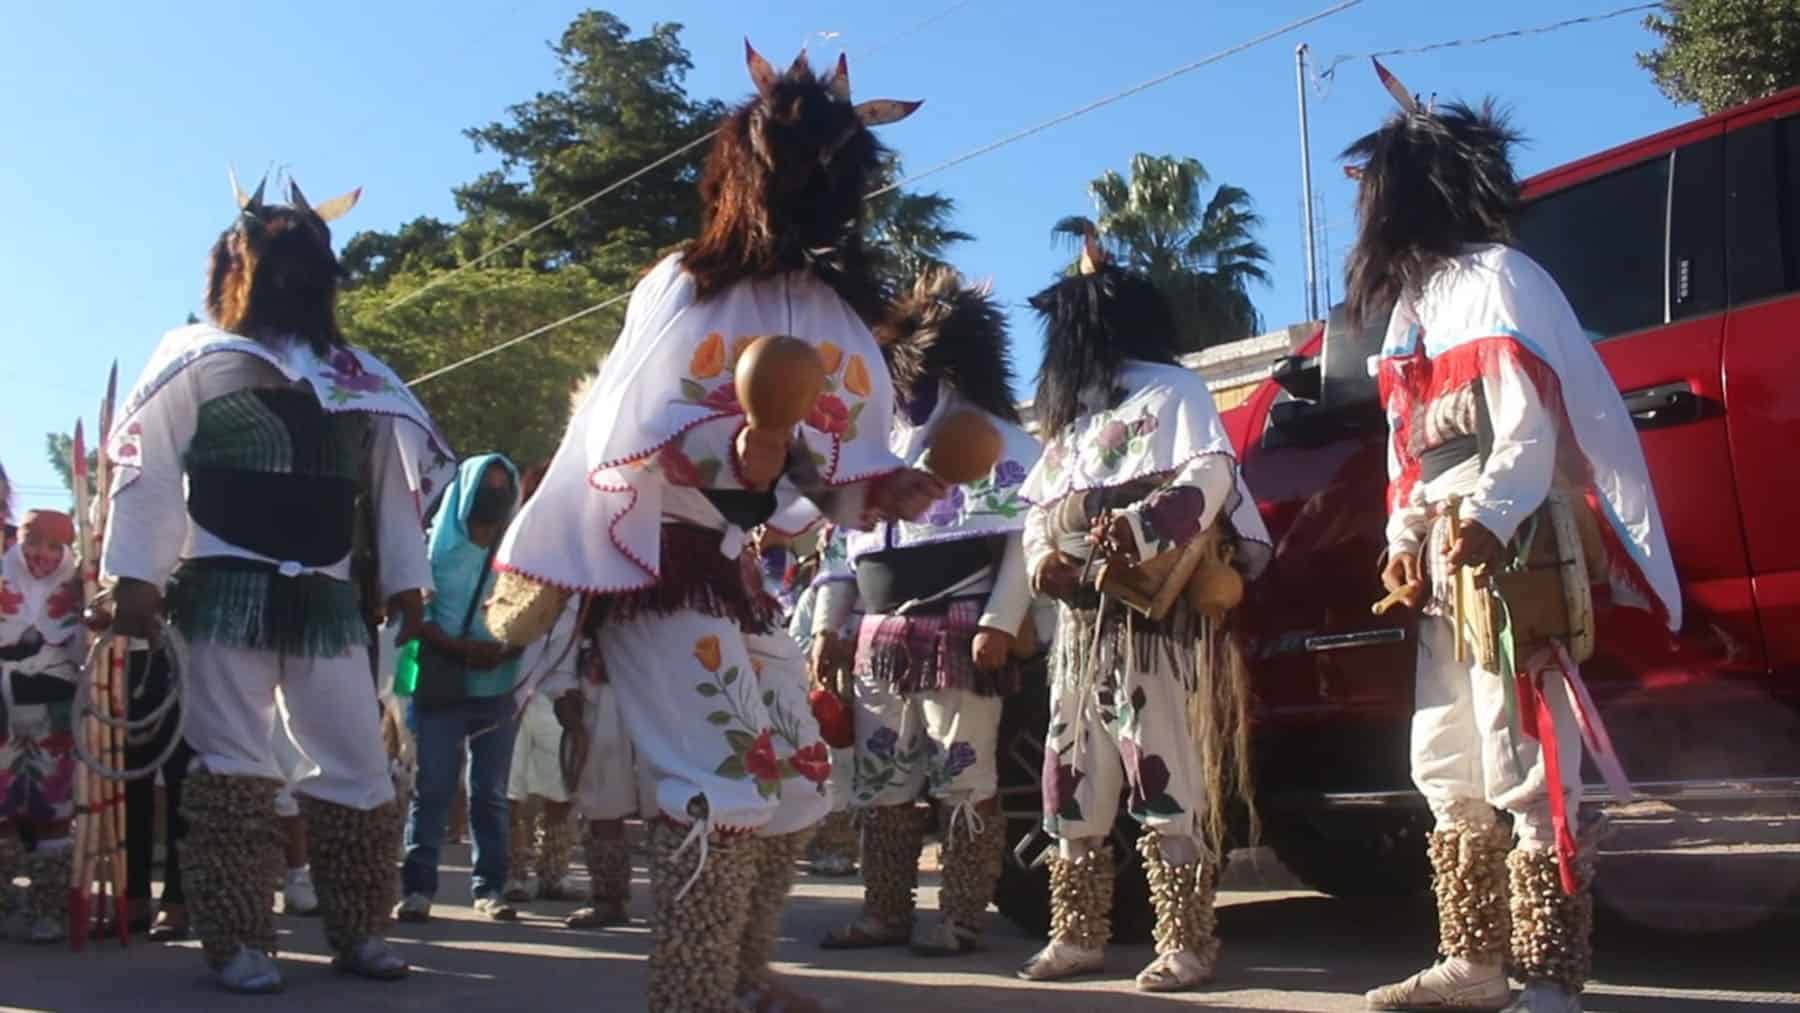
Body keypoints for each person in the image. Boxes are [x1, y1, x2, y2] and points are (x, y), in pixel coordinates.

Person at [494, 43, 941, 1013]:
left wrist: (876, 492)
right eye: (813, 169)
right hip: (661, 562)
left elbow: (829, 472)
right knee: (722, 776)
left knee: (796, 779)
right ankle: (690, 991)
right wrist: (728, 452)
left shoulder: (834, 313)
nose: (829, 192)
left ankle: (742, 972)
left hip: (736, 569)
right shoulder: (682, 287)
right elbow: (620, 430)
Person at [1347, 65, 1680, 1013]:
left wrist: (1486, 524)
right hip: (1450, 562)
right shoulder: (1413, 312)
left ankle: (1549, 974)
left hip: (1515, 551)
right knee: (1444, 757)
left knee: (1527, 758)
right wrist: (1403, 540)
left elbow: (1529, 433)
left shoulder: (1501, 281)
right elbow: (1410, 454)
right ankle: (1475, 960)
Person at [100, 173, 453, 993]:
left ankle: (361, 927)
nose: (295, 277)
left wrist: (407, 578)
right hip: (224, 590)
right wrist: (138, 578)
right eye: (279, 259)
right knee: (232, 763)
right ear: (239, 263)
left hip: (328, 599)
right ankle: (237, 939)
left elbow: (391, 479)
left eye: (310, 263)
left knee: (359, 760)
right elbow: (146, 467)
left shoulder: (361, 376)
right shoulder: (191, 358)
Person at [1014, 240, 1272, 992]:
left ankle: (1187, 942)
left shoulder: (1173, 394)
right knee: (1070, 776)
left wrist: (1136, 532)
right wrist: (1042, 560)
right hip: (1078, 630)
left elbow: (1211, 475)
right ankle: (1075, 934)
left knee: (1160, 771)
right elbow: (1039, 509)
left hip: (1149, 625)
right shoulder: (1071, 422)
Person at [817, 268, 1039, 957]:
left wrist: (1000, 621)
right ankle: (885, 912)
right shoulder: (866, 440)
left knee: (963, 774)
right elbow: (838, 544)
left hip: (959, 631)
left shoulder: (989, 435)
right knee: (881, 782)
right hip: (877, 636)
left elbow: (1024, 539)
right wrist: (829, 624)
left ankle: (962, 918)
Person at [398, 454, 523, 924]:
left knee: (489, 791)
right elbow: (417, 618)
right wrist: (460, 648)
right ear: (465, 492)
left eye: (501, 486)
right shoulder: (433, 553)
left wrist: (506, 649)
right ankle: (417, 889)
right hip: (443, 683)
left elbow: (532, 614)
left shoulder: (517, 555)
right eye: (485, 486)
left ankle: (491, 888)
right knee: (432, 787)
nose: (493, 494)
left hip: (497, 686)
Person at [0, 510, 85, 943]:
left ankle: (48, 907)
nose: (43, 554)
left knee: (53, 809)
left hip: (55, 704)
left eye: (55, 545)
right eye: (35, 541)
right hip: (1, 700)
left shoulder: (80, 582)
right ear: (20, 536)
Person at [787, 528, 859, 878]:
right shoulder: (812, 602)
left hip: (872, 691)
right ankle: (832, 846)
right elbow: (798, 642)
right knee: (833, 774)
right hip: (831, 701)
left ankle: (864, 845)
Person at [122, 638, 193, 939]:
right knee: (130, 790)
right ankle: (134, 899)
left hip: (179, 657)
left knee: (181, 788)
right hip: (127, 660)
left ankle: (176, 902)